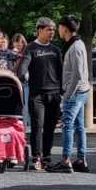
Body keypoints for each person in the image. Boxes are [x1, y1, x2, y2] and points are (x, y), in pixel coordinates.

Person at [18, 18, 63, 171]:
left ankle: (47, 157)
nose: (52, 32)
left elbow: (61, 72)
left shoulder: (56, 50)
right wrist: (23, 75)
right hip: (37, 95)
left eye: (53, 30)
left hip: (54, 94)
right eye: (48, 29)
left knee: (50, 127)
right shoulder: (31, 48)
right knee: (37, 126)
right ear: (39, 30)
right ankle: (36, 157)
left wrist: (63, 91)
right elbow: (23, 67)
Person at [48, 15, 91, 173]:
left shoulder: (76, 47)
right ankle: (81, 159)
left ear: (65, 28)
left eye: (59, 27)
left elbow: (78, 74)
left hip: (75, 93)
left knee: (67, 125)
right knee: (79, 126)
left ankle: (66, 160)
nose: (57, 30)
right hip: (81, 91)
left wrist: (68, 95)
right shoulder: (76, 44)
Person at [11, 33, 30, 130]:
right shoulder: (11, 54)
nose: (19, 45)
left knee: (25, 106)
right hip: (14, 82)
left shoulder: (27, 53)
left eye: (21, 43)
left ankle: (24, 128)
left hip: (25, 82)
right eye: (16, 43)